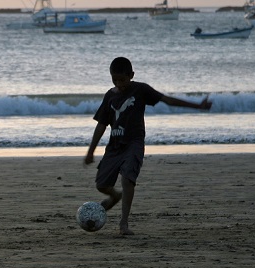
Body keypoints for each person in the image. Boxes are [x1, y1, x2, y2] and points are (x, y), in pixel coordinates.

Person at [84, 57, 212, 236]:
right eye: (115, 80)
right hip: (114, 147)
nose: (119, 83)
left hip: (134, 144)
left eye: (122, 79)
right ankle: (115, 195)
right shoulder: (110, 96)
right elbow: (101, 125)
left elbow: (167, 100)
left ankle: (124, 224)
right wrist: (91, 150)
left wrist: (197, 106)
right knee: (101, 185)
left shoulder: (140, 89)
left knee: (128, 179)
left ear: (131, 75)